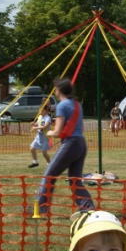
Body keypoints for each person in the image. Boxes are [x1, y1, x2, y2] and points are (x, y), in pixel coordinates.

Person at [33, 77, 94, 215]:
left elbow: (57, 131)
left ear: (59, 90)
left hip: (70, 144)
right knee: (75, 180)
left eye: (55, 88)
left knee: (48, 176)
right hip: (80, 144)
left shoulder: (62, 105)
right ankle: (88, 208)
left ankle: (41, 208)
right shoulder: (77, 104)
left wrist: (49, 132)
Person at [28, 103, 52, 168]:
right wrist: (34, 124)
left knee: (44, 152)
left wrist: (36, 128)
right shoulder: (40, 117)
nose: (40, 112)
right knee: (32, 148)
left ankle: (49, 164)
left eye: (42, 111)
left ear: (46, 111)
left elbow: (45, 126)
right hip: (39, 136)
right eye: (40, 110)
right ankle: (35, 162)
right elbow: (38, 124)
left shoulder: (48, 118)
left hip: (45, 137)